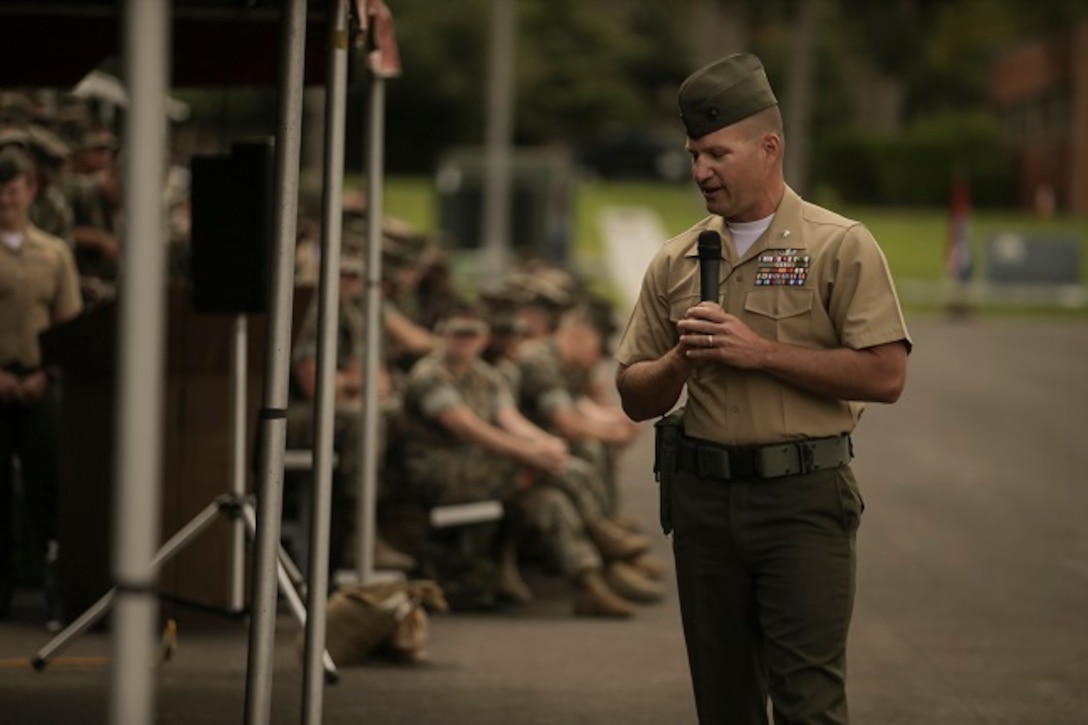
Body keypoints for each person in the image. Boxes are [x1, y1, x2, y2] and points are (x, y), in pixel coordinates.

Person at [614, 53, 911, 724]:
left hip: (801, 502)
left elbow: (886, 374)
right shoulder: (676, 259)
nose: (700, 171)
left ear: (769, 147)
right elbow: (633, 394)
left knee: (807, 702)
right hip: (704, 501)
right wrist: (680, 363)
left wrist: (761, 352)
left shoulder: (839, 245)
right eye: (693, 154)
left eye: (716, 152)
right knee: (723, 704)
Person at [395, 306, 653, 616]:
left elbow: (510, 419)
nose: (464, 341)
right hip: (439, 472)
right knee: (553, 465)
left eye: (471, 334)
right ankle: (605, 537)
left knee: (551, 498)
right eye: (456, 333)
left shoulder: (485, 376)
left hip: (480, 468)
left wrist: (544, 444)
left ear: (483, 338)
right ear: (442, 336)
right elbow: (469, 428)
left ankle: (590, 583)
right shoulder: (430, 375)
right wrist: (527, 452)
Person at [0, 146, 83, 625]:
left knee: (46, 491)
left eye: (15, 187)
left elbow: (67, 324)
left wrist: (43, 375)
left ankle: (54, 594)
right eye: (1, 188)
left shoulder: (54, 253)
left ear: (30, 190)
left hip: (38, 381)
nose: (7, 197)